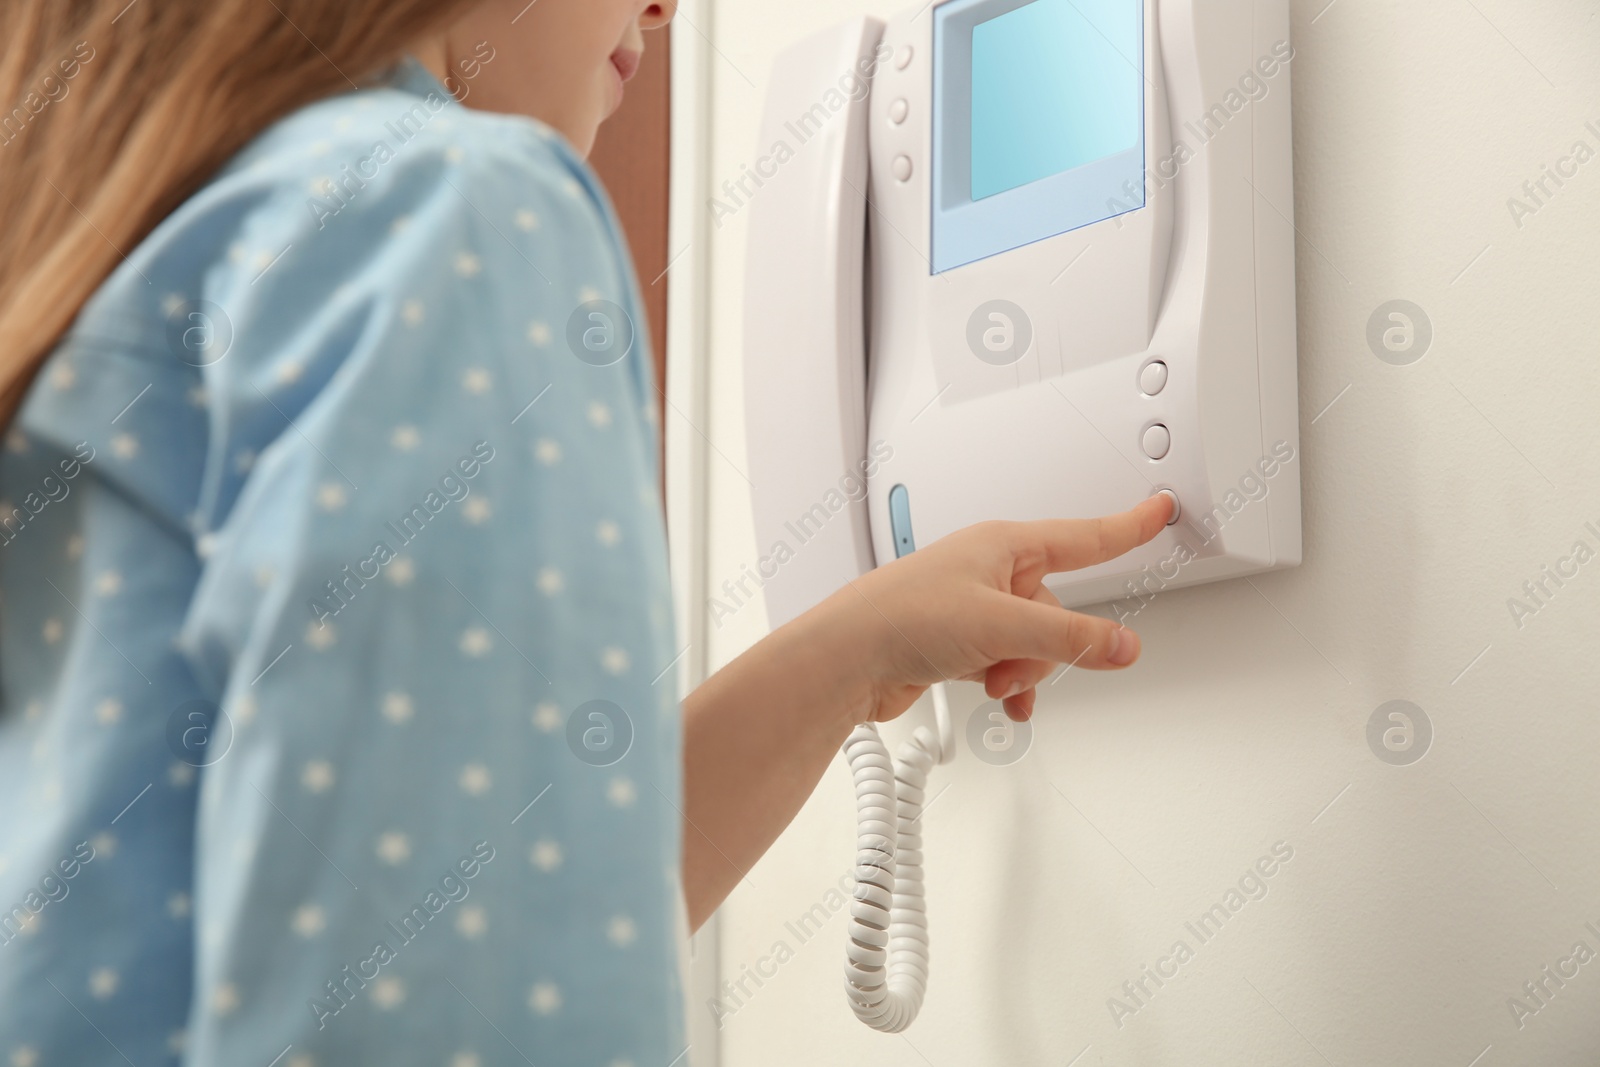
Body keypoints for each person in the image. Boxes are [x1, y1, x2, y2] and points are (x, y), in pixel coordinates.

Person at [0, 0, 1171, 1062]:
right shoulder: (449, 216)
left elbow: (482, 889)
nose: (663, 7)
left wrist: (853, 646)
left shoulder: (113, 297)